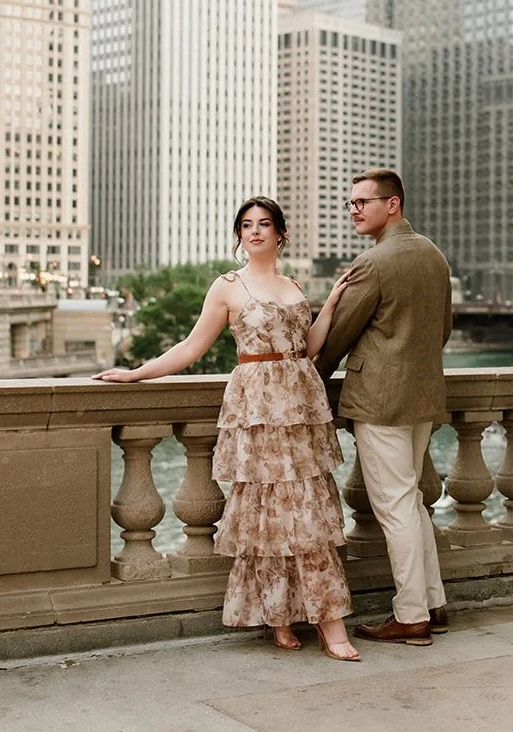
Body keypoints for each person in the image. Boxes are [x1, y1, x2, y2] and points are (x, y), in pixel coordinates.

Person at [93, 197, 361, 662]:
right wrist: (136, 373)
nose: (254, 231)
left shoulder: (294, 286)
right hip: (257, 407)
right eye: (246, 225)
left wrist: (332, 302)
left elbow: (309, 347)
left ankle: (329, 622)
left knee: (310, 512)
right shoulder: (227, 286)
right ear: (240, 235)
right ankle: (278, 615)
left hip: (300, 406)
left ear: (280, 234)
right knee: (267, 514)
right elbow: (191, 347)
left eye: (264, 224)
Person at [315, 168, 453, 647]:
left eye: (362, 202)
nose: (354, 210)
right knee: (411, 501)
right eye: (351, 203)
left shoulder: (373, 262)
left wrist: (313, 374)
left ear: (392, 204)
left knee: (394, 507)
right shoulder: (434, 255)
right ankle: (433, 603)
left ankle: (411, 615)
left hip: (380, 400)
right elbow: (444, 330)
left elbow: (337, 338)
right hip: (423, 397)